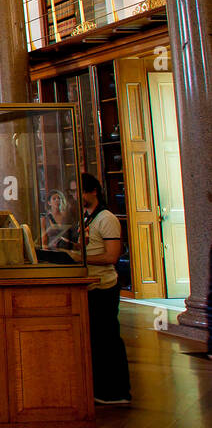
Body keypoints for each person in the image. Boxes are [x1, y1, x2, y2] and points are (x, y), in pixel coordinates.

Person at [81, 173, 131, 404]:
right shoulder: (86, 218)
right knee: (96, 340)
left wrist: (79, 258)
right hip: (90, 285)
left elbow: (112, 255)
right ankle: (100, 389)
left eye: (79, 191)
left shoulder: (107, 218)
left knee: (108, 339)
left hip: (104, 286)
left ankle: (117, 391)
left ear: (93, 191)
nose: (76, 197)